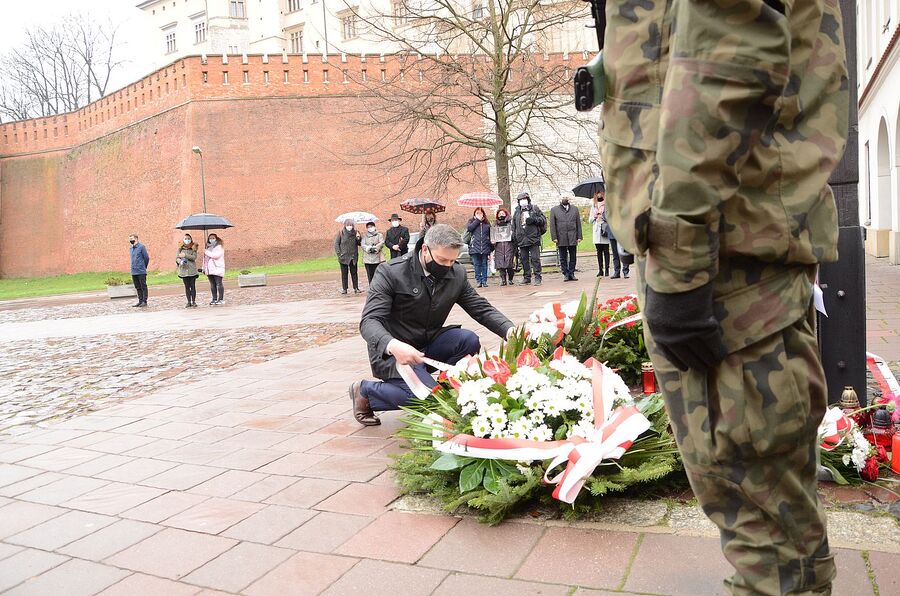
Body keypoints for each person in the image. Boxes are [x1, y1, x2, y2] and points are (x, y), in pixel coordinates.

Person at [599, 0, 849, 592]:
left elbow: (726, 49)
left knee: (766, 536)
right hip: (727, 246)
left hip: (723, 262)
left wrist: (681, 260)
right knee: (767, 520)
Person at [349, 224, 514, 425]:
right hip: (394, 352)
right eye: (443, 260)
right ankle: (365, 392)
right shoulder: (390, 273)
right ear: (425, 249)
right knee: (427, 397)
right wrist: (392, 345)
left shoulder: (456, 273)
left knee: (467, 340)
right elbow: (369, 321)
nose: (448, 266)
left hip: (428, 343)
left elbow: (480, 308)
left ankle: (443, 390)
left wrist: (510, 330)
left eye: (453, 261)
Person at [511, 192, 545, 286]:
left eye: (524, 199)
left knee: (535, 259)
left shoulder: (534, 209)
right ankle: (527, 277)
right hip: (521, 239)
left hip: (533, 238)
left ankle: (538, 277)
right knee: (524, 259)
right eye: (521, 199)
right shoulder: (517, 212)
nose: (523, 201)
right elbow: (514, 225)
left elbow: (543, 220)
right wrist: (515, 237)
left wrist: (534, 220)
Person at [549, 195, 582, 282]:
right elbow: (552, 225)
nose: (565, 199)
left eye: (566, 197)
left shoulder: (575, 209)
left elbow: (578, 223)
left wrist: (579, 236)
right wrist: (554, 237)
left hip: (572, 235)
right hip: (561, 236)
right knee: (562, 257)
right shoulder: (554, 210)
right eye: (563, 197)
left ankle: (571, 273)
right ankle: (566, 274)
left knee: (573, 256)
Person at [465, 207, 493, 287]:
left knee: (484, 264)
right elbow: (469, 228)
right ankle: (478, 280)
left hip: (485, 247)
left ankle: (484, 280)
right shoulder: (471, 222)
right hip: (474, 247)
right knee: (476, 264)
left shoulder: (486, 224)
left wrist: (491, 244)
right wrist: (477, 220)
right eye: (477, 213)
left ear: (483, 214)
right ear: (474, 214)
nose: (479, 214)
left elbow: (491, 234)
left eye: (480, 213)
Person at [334, 218, 362, 294]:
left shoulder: (356, 232)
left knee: (354, 273)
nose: (349, 226)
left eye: (351, 225)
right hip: (343, 257)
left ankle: (356, 287)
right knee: (344, 273)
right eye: (348, 225)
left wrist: (358, 238)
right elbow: (336, 244)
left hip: (353, 257)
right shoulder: (340, 233)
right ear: (345, 225)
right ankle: (344, 288)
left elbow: (359, 243)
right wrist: (339, 254)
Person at [490, 207, 516, 286]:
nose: (501, 215)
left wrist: (512, 234)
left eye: (503, 213)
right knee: (501, 265)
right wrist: (493, 241)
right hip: (499, 247)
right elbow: (492, 236)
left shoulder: (510, 224)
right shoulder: (495, 225)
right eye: (500, 214)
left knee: (509, 264)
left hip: (509, 246)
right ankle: (503, 280)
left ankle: (510, 279)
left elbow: (515, 235)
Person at [589, 189, 610, 277]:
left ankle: (607, 269)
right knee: (599, 251)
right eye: (597, 193)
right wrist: (595, 216)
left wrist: (603, 216)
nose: (599, 195)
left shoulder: (607, 205)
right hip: (597, 230)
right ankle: (600, 269)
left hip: (604, 229)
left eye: (601, 193)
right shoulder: (593, 206)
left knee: (606, 251)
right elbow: (590, 220)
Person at [176, 234, 199, 308]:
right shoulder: (180, 248)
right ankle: (188, 301)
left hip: (192, 270)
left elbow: (194, 257)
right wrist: (180, 261)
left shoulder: (193, 248)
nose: (187, 240)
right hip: (183, 270)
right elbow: (177, 258)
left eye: (188, 238)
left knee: (193, 286)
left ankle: (194, 301)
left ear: (191, 239)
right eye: (186, 239)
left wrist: (185, 255)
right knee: (186, 286)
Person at [203, 234, 225, 305]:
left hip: (217, 268)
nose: (211, 239)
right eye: (210, 238)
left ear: (216, 239)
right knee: (212, 284)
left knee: (219, 284)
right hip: (210, 269)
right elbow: (205, 259)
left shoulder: (219, 247)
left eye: (213, 238)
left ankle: (221, 299)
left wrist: (206, 252)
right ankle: (214, 299)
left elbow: (216, 256)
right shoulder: (208, 248)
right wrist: (204, 268)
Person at [128, 234, 150, 308]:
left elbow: (146, 258)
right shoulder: (131, 249)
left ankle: (144, 301)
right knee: (137, 287)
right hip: (134, 271)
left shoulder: (141, 247)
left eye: (132, 239)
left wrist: (144, 266)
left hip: (141, 270)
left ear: (136, 239)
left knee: (143, 286)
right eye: (130, 239)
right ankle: (140, 301)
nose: (130, 240)